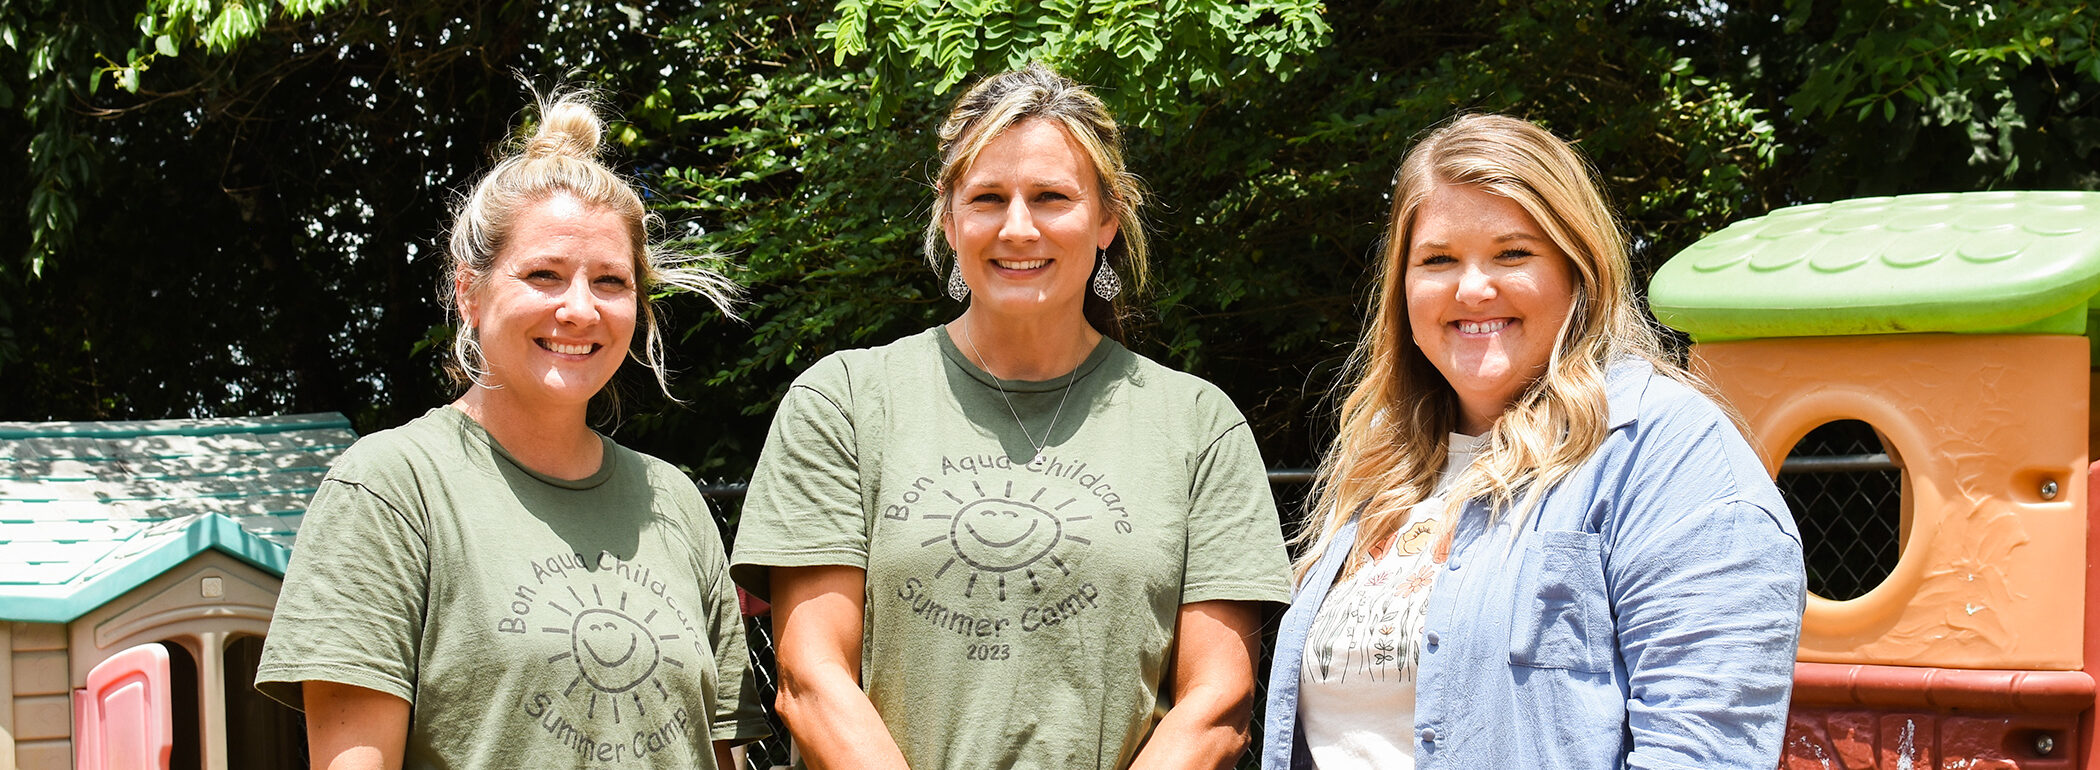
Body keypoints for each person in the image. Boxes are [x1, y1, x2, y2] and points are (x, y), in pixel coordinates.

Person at [731, 64, 1292, 769]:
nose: (1019, 228)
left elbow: (1218, 705)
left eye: (1052, 197)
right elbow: (811, 683)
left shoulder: (1198, 426)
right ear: (950, 215)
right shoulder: (843, 402)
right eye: (989, 198)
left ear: (1107, 219)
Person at [1261, 114, 1805, 769]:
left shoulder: (1664, 452)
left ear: (1579, 268)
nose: (1471, 288)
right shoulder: (1381, 463)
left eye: (1512, 253)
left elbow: (1703, 753)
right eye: (1437, 260)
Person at [255, 87, 768, 768]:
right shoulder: (390, 489)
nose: (581, 310)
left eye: (611, 282)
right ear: (470, 292)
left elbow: (720, 754)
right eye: (544, 275)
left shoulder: (673, 502)